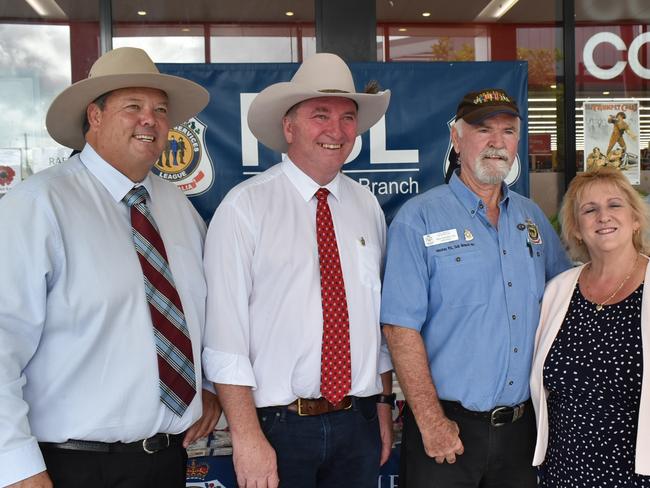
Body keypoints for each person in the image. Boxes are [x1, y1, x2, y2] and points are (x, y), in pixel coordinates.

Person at [0, 47, 221, 488]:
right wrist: (17, 467)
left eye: (160, 110)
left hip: (166, 461)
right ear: (94, 116)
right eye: (133, 107)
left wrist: (208, 387)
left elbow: (200, 312)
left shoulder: (178, 208)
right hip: (72, 468)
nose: (151, 119)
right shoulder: (38, 206)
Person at [202, 53, 394, 488]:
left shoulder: (367, 207)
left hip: (358, 422)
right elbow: (225, 339)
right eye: (320, 115)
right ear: (288, 128)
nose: (337, 130)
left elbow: (375, 323)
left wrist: (383, 406)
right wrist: (247, 436)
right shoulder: (244, 208)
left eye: (348, 118)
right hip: (278, 427)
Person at [380, 88, 572, 487]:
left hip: (523, 431)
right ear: (456, 137)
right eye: (483, 130)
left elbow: (567, 298)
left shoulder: (531, 218)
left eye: (508, 131)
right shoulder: (419, 219)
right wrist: (431, 420)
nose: (497, 142)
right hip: (447, 428)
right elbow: (399, 328)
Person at [531, 166, 650, 487]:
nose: (603, 216)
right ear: (578, 229)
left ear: (635, 219)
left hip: (637, 475)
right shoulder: (558, 291)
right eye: (589, 209)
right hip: (564, 471)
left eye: (614, 205)